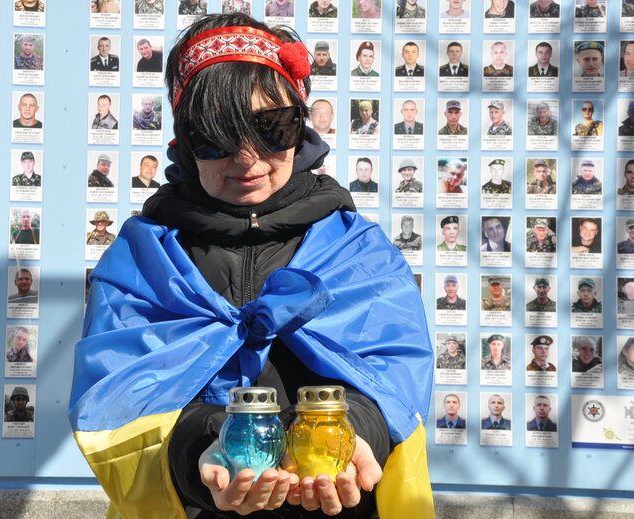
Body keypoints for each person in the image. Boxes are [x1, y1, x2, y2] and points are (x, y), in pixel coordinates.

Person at [70, 14, 434, 518]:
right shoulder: (142, 259)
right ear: (183, 139)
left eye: (271, 128)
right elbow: (116, 401)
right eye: (215, 137)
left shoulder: (357, 250)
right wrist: (201, 452)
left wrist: (353, 436)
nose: (247, 158)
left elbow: (395, 380)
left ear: (300, 126)